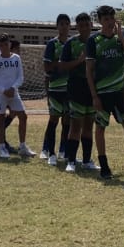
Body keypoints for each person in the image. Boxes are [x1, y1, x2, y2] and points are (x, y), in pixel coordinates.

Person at [85, 5, 124, 179]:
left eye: (111, 18)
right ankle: (104, 166)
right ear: (99, 21)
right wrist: (94, 96)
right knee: (100, 128)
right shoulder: (94, 41)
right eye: (105, 19)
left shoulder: (120, 37)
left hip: (121, 92)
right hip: (102, 93)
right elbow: (89, 70)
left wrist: (121, 34)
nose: (109, 22)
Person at [60, 13, 98, 172]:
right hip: (76, 87)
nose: (84, 28)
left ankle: (87, 160)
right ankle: (71, 160)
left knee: (89, 125)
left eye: (86, 25)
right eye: (81, 25)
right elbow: (62, 66)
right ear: (77, 27)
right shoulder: (71, 43)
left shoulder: (97, 42)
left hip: (93, 88)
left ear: (91, 25)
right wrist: (80, 60)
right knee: (75, 126)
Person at [0, 34, 34, 158]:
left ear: (9, 44)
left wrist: (13, 88)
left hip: (14, 93)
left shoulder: (16, 58)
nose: (4, 47)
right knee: (0, 118)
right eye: (1, 45)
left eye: (6, 44)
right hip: (0, 95)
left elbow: (20, 76)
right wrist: (3, 90)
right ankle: (2, 147)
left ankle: (23, 146)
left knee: (23, 117)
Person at [40, 13, 73, 166]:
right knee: (54, 120)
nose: (64, 26)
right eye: (62, 24)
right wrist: (61, 63)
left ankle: (63, 150)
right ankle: (49, 152)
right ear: (57, 26)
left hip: (70, 89)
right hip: (55, 89)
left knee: (67, 121)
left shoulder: (73, 43)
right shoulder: (52, 44)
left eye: (67, 24)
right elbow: (47, 67)